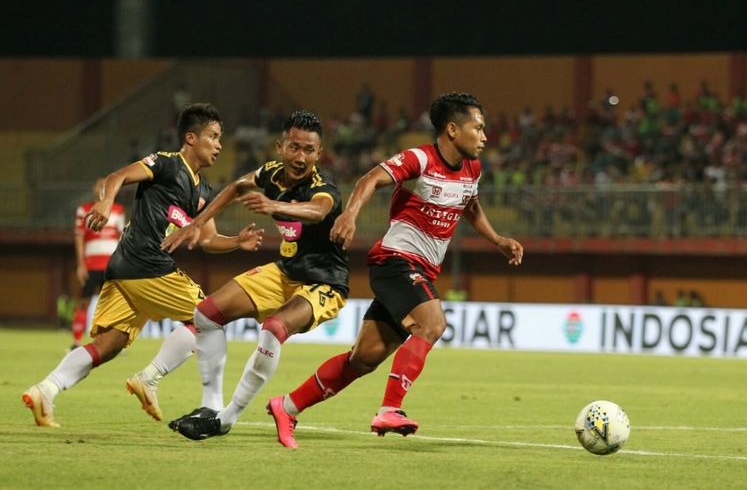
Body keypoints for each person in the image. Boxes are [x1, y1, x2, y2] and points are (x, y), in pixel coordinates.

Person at [265, 92, 524, 448]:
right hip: (395, 261)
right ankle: (391, 408)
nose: (484, 136)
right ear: (452, 130)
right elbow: (369, 179)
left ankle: (287, 406)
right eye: (478, 128)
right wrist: (350, 214)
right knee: (432, 324)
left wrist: (497, 239)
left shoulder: (472, 168)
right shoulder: (419, 159)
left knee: (363, 359)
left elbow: (470, 204)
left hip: (419, 271)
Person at [22, 103, 263, 427]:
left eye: (221, 138)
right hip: (146, 262)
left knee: (110, 344)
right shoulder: (165, 164)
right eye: (213, 136)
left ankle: (45, 390)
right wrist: (106, 200)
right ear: (191, 138)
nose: (219, 145)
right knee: (208, 317)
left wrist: (236, 242)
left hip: (125, 268)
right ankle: (150, 378)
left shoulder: (203, 191)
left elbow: (207, 239)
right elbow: (118, 176)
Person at [156, 110, 349, 441]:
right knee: (206, 315)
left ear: (319, 154)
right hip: (285, 272)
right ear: (279, 146)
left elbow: (318, 211)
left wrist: (276, 207)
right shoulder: (271, 174)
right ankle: (210, 406)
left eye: (309, 150)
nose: (300, 157)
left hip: (324, 282)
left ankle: (226, 418)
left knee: (274, 329)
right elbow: (235, 187)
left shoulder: (323, 188)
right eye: (294, 147)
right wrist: (196, 224)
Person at [71, 178, 125, 350]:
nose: (102, 188)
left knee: (112, 305)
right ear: (94, 189)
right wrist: (80, 265)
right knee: (84, 302)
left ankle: (113, 343)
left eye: (106, 186)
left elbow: (122, 238)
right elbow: (79, 237)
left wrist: (122, 263)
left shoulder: (118, 210)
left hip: (111, 266)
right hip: (91, 265)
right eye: (99, 185)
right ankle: (76, 342)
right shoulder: (84, 210)